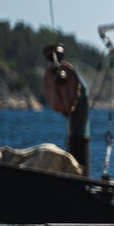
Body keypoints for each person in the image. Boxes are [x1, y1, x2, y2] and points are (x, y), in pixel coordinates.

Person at [41, 44, 91, 176]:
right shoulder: (63, 75)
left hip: (77, 136)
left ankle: (79, 181)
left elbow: (80, 90)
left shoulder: (75, 83)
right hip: (76, 136)